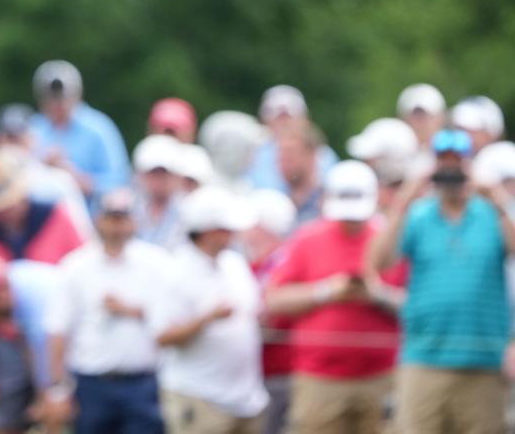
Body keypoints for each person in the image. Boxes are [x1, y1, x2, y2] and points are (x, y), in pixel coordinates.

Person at [367, 129, 515, 433]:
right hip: (423, 358)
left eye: (456, 163)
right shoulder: (419, 216)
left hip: (483, 362)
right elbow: (379, 262)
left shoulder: (490, 215)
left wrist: (498, 200)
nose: (450, 171)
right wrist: (404, 200)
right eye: (443, 163)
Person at [265, 161, 405, 434]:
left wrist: (377, 295)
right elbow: (274, 300)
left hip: (381, 377)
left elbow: (414, 305)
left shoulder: (389, 240)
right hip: (318, 378)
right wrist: (326, 292)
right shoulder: (307, 239)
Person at [44, 189, 168, 434]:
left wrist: (130, 310)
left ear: (135, 221)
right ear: (99, 219)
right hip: (92, 384)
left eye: (122, 219)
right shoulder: (76, 266)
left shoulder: (157, 264)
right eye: (112, 218)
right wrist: (58, 388)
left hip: (142, 382)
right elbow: (58, 330)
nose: (116, 227)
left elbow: (172, 318)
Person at [152, 186, 268, 434]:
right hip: (199, 398)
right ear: (207, 231)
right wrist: (207, 318)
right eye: (225, 229)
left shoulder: (235, 264)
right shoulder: (175, 272)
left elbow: (256, 311)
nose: (233, 234)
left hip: (247, 400)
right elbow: (162, 336)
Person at [0, 255, 62, 434]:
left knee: (55, 412)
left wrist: (45, 397)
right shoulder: (8, 279)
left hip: (78, 347)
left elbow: (43, 355)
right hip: (56, 343)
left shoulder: (33, 302)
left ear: (0, 294)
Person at [29, 60, 131, 204]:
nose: (57, 103)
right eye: (51, 97)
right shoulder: (33, 128)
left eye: (62, 96)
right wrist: (42, 165)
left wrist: (80, 180)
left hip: (91, 219)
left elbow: (120, 181)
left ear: (78, 94)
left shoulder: (99, 129)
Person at [0, 104, 93, 238]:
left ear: (32, 139)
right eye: (8, 138)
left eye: (17, 138)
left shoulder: (57, 181)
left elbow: (82, 234)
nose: (13, 145)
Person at [0, 150, 84, 265]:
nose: (4, 213)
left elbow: (81, 260)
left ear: (23, 197)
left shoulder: (55, 216)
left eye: (9, 205)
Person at [241, 189, 296, 434]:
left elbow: (272, 318)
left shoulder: (286, 264)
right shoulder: (255, 264)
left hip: (279, 374)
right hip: (256, 373)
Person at [248, 86, 337, 191]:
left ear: (305, 119)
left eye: (289, 118)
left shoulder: (324, 154)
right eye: (279, 119)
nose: (285, 124)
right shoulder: (252, 154)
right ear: (265, 121)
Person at [131, 135, 184, 249]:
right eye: (153, 173)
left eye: (164, 174)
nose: (159, 180)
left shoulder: (189, 211)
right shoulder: (127, 209)